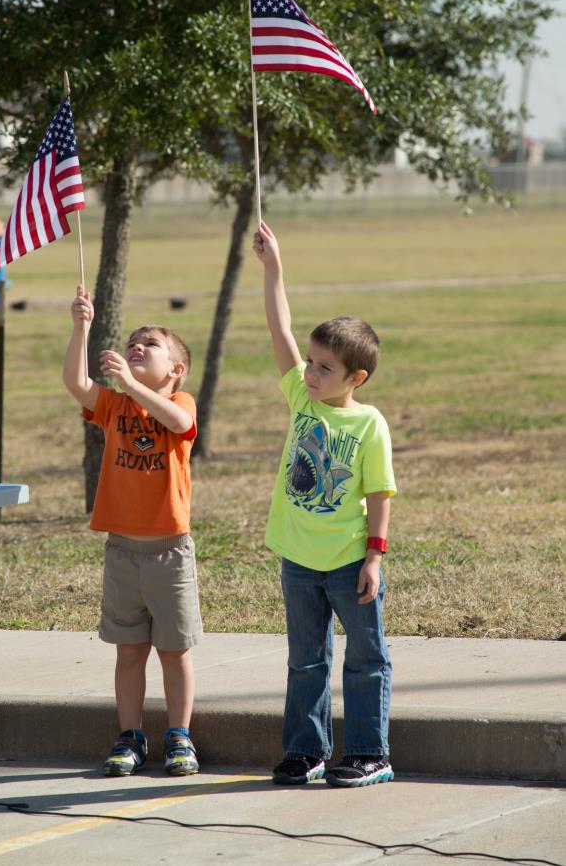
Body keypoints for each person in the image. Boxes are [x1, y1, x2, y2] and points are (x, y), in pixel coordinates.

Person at [253, 221, 396, 789]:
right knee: (305, 661)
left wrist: (373, 558)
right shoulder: (300, 396)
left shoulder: (368, 423)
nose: (309, 373)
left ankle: (369, 752)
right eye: (309, 362)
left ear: (355, 377)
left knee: (365, 660)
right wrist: (274, 269)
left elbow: (380, 493)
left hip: (346, 561)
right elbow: (279, 326)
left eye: (323, 368)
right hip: (297, 560)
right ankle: (306, 751)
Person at [62, 286, 202, 778]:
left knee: (175, 651)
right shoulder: (114, 406)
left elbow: (178, 420)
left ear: (176, 369)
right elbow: (77, 384)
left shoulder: (179, 402)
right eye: (132, 342)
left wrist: (131, 385)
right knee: (129, 652)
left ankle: (179, 735)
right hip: (122, 553)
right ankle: (130, 735)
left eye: (151, 344)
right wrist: (81, 325)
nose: (136, 347)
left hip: (169, 554)